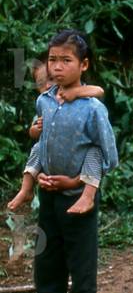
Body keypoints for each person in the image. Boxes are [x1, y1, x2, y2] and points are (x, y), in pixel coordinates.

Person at [11, 29, 119, 293]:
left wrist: (77, 181)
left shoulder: (93, 108)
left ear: (83, 65)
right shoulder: (45, 101)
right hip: (50, 197)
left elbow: (107, 154)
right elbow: (38, 137)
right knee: (47, 265)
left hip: (78, 194)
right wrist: (38, 173)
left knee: (81, 269)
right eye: (52, 60)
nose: (57, 67)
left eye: (66, 61)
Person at [7, 59, 106, 215]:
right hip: (51, 168)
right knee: (37, 147)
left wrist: (76, 92)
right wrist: (36, 128)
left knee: (94, 154)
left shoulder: (82, 99)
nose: (47, 86)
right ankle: (26, 189)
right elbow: (33, 134)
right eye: (41, 83)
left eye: (51, 79)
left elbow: (99, 91)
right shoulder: (45, 103)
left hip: (78, 163)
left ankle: (88, 196)